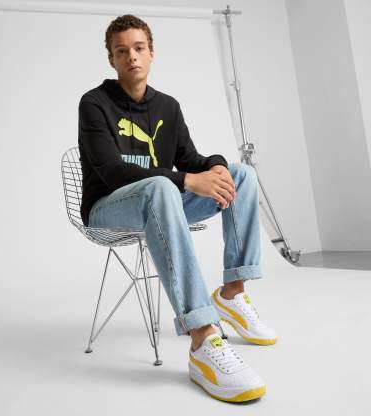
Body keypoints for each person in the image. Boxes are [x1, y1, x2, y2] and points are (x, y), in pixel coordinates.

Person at [78, 14, 277, 403]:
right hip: (107, 206)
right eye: (122, 51)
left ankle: (233, 292)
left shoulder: (167, 106)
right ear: (112, 59)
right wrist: (185, 180)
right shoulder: (94, 103)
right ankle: (202, 337)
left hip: (162, 202)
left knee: (242, 175)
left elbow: (190, 158)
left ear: (151, 53)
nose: (132, 57)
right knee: (160, 186)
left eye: (139, 48)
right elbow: (112, 171)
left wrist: (216, 166)